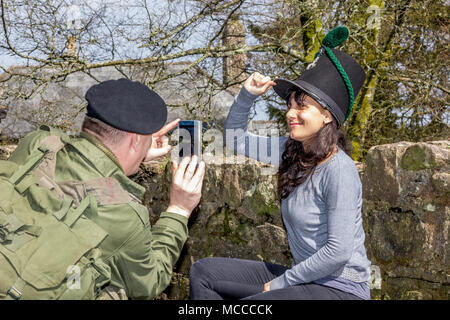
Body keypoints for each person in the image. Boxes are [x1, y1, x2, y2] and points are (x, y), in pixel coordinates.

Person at [189, 26, 372, 300]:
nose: (291, 113)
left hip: (340, 289)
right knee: (203, 273)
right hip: (304, 279)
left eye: (302, 106)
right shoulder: (291, 151)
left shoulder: (339, 170)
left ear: (327, 117)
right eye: (290, 104)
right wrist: (247, 95)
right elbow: (236, 139)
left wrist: (280, 284)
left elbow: (338, 252)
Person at [8, 78, 206, 300]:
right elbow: (148, 284)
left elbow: (76, 156)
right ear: (133, 141)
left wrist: (134, 153)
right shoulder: (123, 214)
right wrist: (179, 210)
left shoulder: (38, 144)